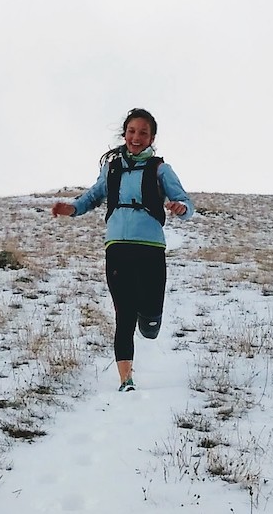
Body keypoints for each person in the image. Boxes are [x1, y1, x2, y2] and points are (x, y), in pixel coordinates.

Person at [51, 108, 193, 392]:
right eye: (131, 131)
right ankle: (125, 379)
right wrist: (71, 208)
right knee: (124, 312)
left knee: (150, 319)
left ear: (152, 137)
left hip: (150, 247)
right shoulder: (112, 168)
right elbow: (92, 196)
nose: (136, 137)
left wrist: (181, 208)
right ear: (124, 134)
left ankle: (150, 319)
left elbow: (185, 202)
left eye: (143, 132)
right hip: (117, 246)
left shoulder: (161, 169)